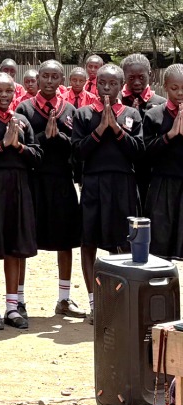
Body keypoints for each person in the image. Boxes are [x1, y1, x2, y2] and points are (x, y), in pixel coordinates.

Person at [72, 64, 144, 323]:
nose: (106, 87)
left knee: (122, 243)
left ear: (120, 86)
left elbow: (138, 151)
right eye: (102, 82)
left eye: (112, 83)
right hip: (93, 184)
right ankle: (94, 303)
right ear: (95, 84)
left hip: (122, 184)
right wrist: (100, 129)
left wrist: (116, 128)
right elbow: (78, 152)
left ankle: (117, 302)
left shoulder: (132, 113)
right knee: (88, 241)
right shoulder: (83, 114)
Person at [16, 60, 88, 319]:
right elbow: (22, 146)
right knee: (24, 241)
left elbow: (77, 147)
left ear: (61, 80)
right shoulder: (24, 108)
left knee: (66, 240)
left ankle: (64, 298)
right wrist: (45, 137)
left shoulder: (69, 109)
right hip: (34, 181)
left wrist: (59, 137)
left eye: (54, 77)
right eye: (44, 76)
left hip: (61, 181)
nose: (48, 81)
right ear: (38, 78)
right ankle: (19, 300)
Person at [0, 72, 40, 330]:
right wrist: (3, 144)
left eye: (9, 91)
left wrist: (21, 147)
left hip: (19, 187)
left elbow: (38, 155)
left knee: (15, 247)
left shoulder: (22, 119)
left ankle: (12, 307)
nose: (4, 96)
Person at [143, 64, 183, 259]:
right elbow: (146, 152)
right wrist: (170, 135)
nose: (180, 93)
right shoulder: (154, 115)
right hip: (162, 185)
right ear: (165, 86)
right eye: (174, 88)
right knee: (160, 244)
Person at [121, 54, 166, 203]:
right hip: (124, 168)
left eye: (141, 77)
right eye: (131, 78)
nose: (136, 82)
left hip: (151, 171)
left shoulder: (161, 104)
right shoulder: (118, 102)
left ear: (150, 75)